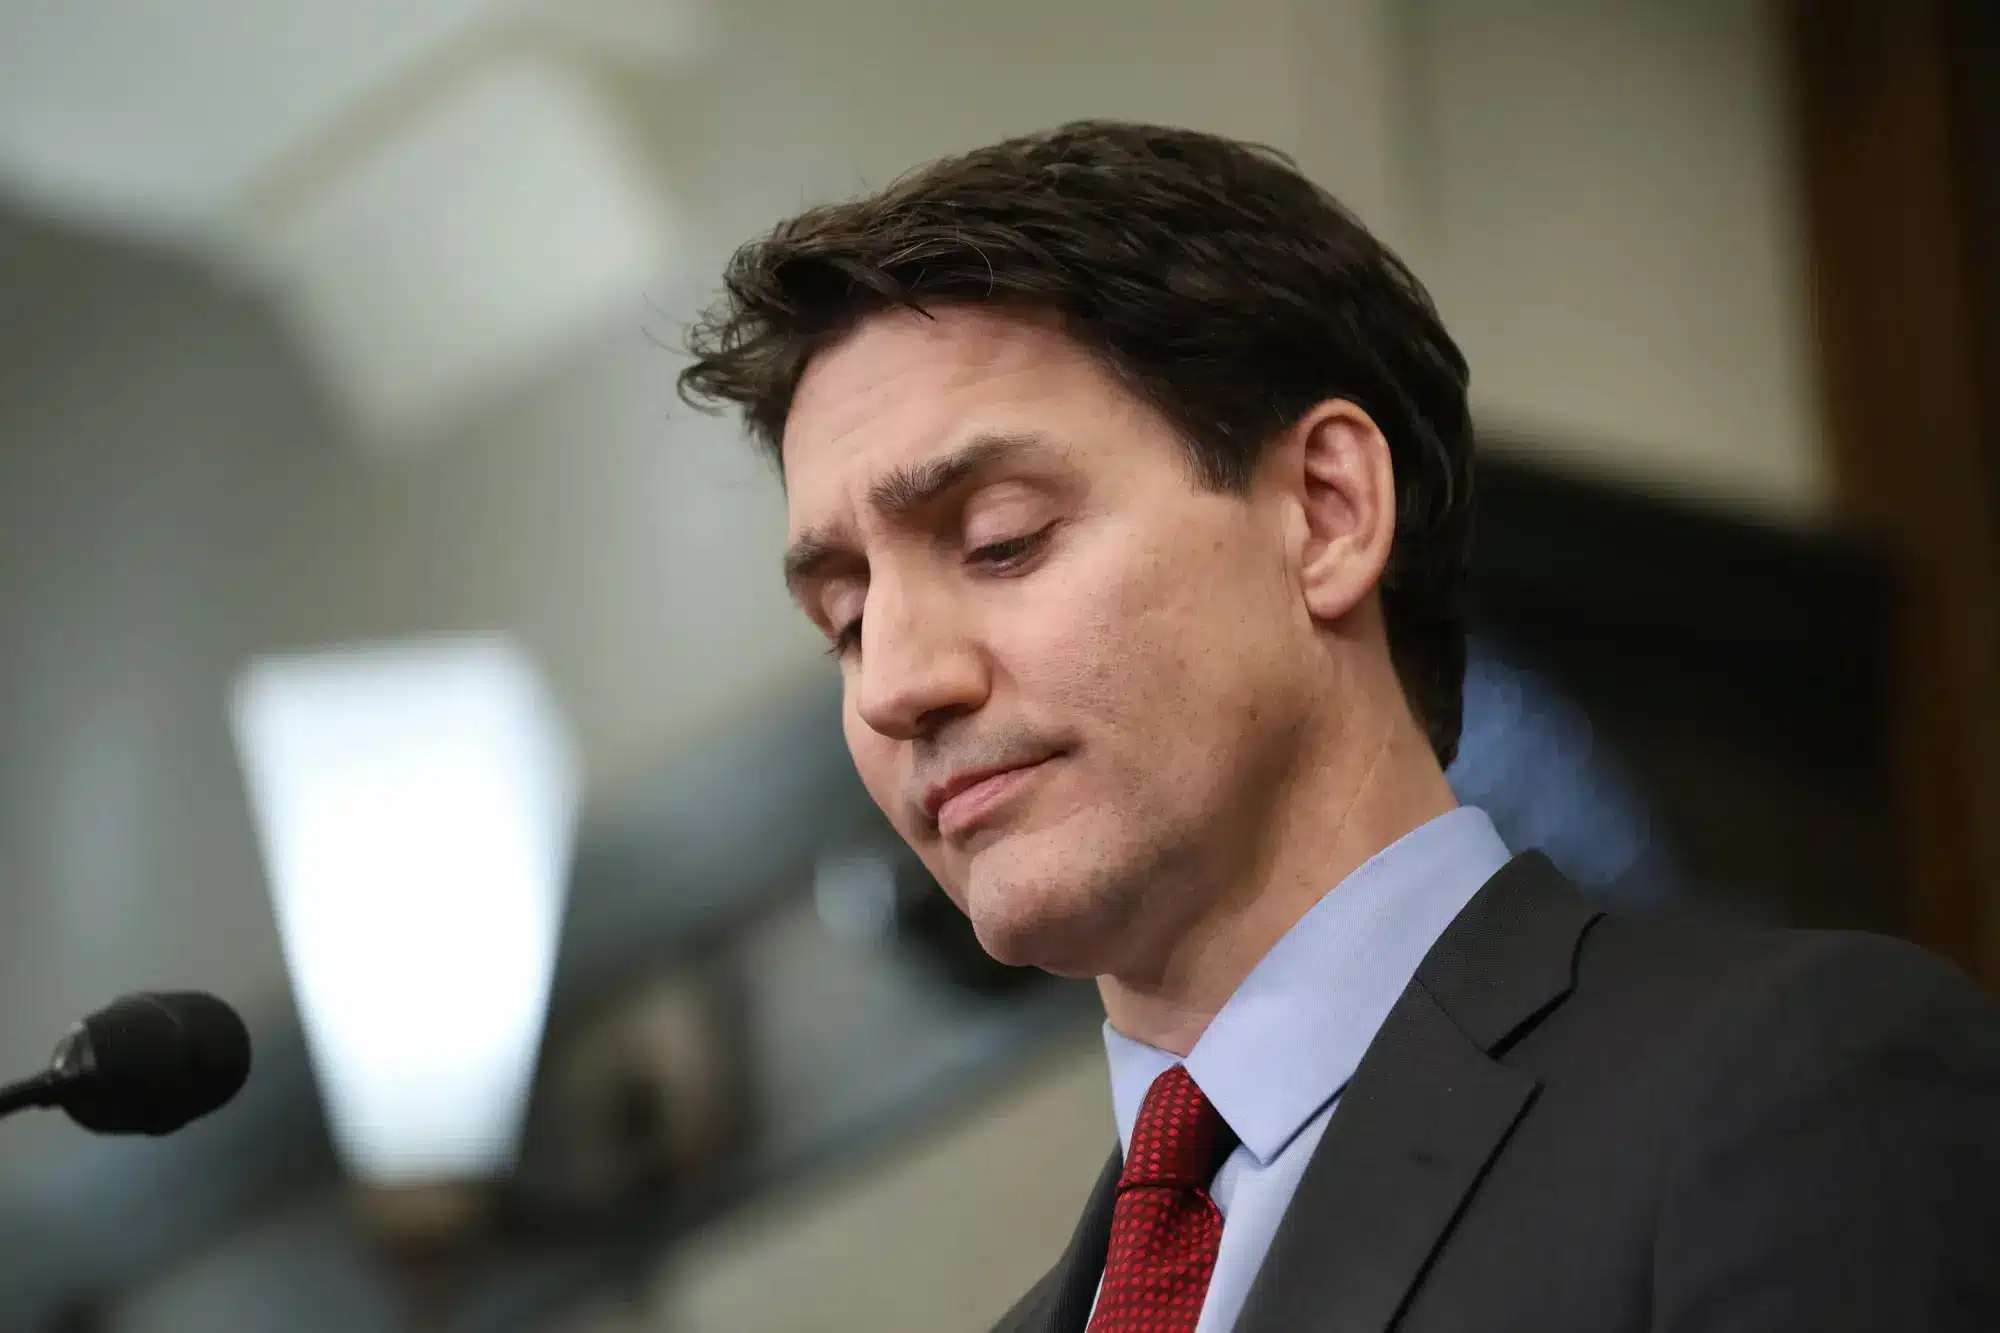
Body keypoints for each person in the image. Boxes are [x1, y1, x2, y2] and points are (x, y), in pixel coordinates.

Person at [678, 122, 2000, 1333]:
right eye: (846, 619)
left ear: (1325, 512)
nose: (894, 684)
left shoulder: (1784, 1087)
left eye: (1000, 541)